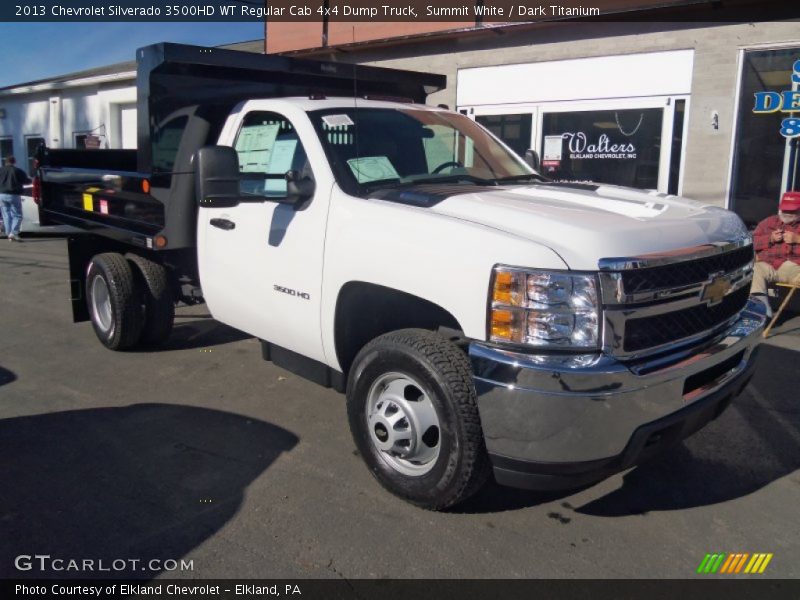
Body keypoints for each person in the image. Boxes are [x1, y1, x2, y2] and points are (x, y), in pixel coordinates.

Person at [750, 192, 800, 317]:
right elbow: (751, 242)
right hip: (769, 266)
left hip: (795, 269)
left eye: (792, 210)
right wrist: (770, 239)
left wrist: (797, 239)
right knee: (755, 269)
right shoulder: (768, 222)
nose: (787, 213)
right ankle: (762, 312)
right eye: (784, 209)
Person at [0, 156, 31, 242]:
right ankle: (13, 233)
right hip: (13, 194)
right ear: (14, 162)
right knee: (17, 215)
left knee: (6, 215)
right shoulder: (17, 171)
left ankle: (9, 233)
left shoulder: (1, 170)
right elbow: (27, 181)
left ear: (5, 162)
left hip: (1, 194)